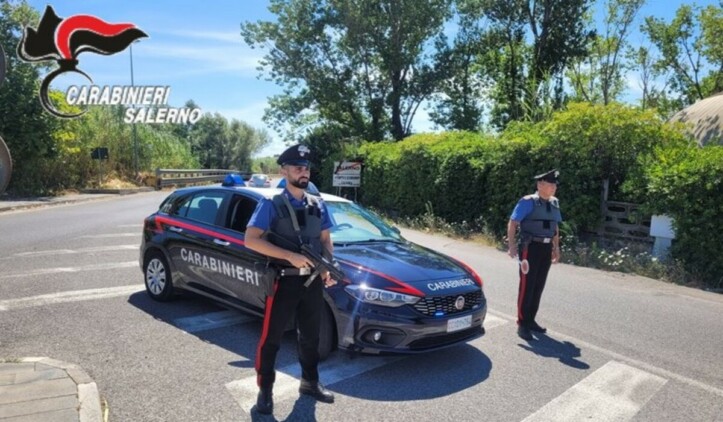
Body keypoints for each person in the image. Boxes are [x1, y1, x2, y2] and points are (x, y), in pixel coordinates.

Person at [244, 144, 337, 415]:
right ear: (284, 171)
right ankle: (265, 391)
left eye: (306, 167)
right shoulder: (271, 204)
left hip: (312, 282)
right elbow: (250, 240)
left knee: (311, 336)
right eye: (297, 167)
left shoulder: (318, 204)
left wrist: (327, 266)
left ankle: (309, 383)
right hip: (283, 280)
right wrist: (289, 256)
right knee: (271, 338)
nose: (303, 171)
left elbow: (325, 240)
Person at [507, 169, 562, 341]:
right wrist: (512, 245)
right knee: (527, 286)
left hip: (545, 249)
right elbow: (513, 223)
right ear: (540, 185)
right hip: (529, 248)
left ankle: (531, 320)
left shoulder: (554, 203)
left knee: (538, 286)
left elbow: (555, 227)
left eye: (555, 185)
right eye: (550, 184)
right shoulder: (527, 201)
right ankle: (522, 324)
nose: (554, 187)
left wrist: (556, 247)